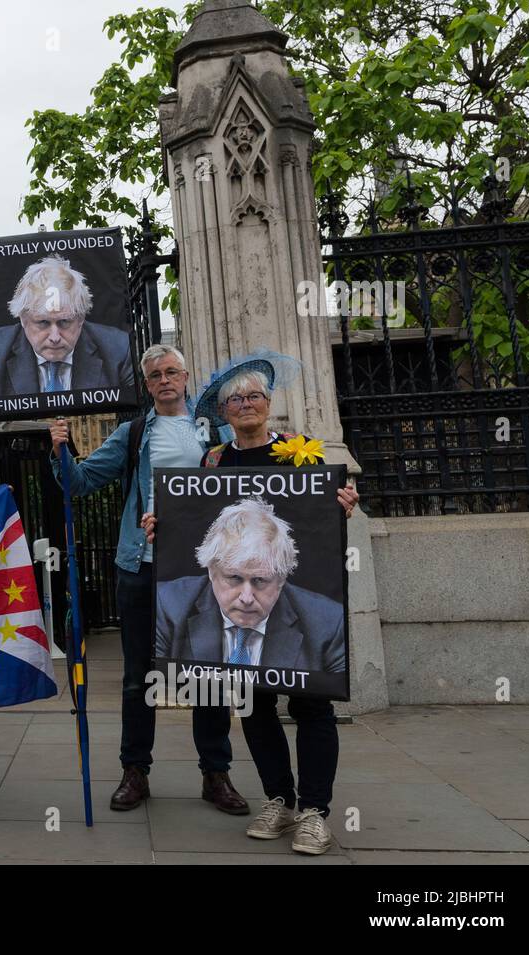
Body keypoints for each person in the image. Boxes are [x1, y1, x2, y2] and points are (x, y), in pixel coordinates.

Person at [141, 354, 359, 856]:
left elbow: (321, 517)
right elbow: (198, 524)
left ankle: (315, 811)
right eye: (234, 399)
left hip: (283, 596)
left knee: (311, 703)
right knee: (255, 703)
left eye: (253, 397)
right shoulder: (214, 462)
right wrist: (164, 526)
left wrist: (342, 503)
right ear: (223, 409)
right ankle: (279, 799)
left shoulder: (298, 456)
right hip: (242, 605)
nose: (244, 405)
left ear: (268, 404)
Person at [49, 343, 249, 815]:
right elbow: (78, 482)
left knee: (208, 675)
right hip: (140, 566)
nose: (164, 380)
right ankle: (135, 771)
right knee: (138, 676)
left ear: (185, 376)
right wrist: (60, 448)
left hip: (204, 570)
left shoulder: (215, 433)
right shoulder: (134, 432)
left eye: (172, 372)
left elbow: (254, 486)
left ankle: (215, 774)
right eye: (155, 374)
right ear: (148, 384)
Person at [154, 497, 347, 672]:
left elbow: (323, 699)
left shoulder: (328, 622)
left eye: (260, 581)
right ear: (212, 572)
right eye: (234, 578)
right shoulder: (168, 605)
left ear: (281, 580)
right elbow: (158, 682)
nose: (246, 598)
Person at [0, 254, 134, 398]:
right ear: (23, 320)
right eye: (43, 323)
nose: (54, 338)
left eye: (64, 322)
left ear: (81, 319)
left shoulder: (119, 350)